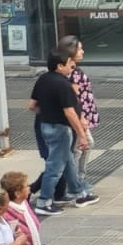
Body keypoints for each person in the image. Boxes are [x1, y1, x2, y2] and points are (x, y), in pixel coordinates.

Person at [30, 45, 97, 215]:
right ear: (60, 66)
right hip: (61, 129)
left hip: (46, 126)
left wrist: (48, 113)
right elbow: (70, 113)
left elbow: (32, 105)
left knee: (68, 161)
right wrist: (81, 135)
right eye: (69, 64)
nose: (72, 67)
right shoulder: (63, 84)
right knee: (55, 167)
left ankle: (78, 191)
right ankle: (44, 202)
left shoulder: (43, 79)